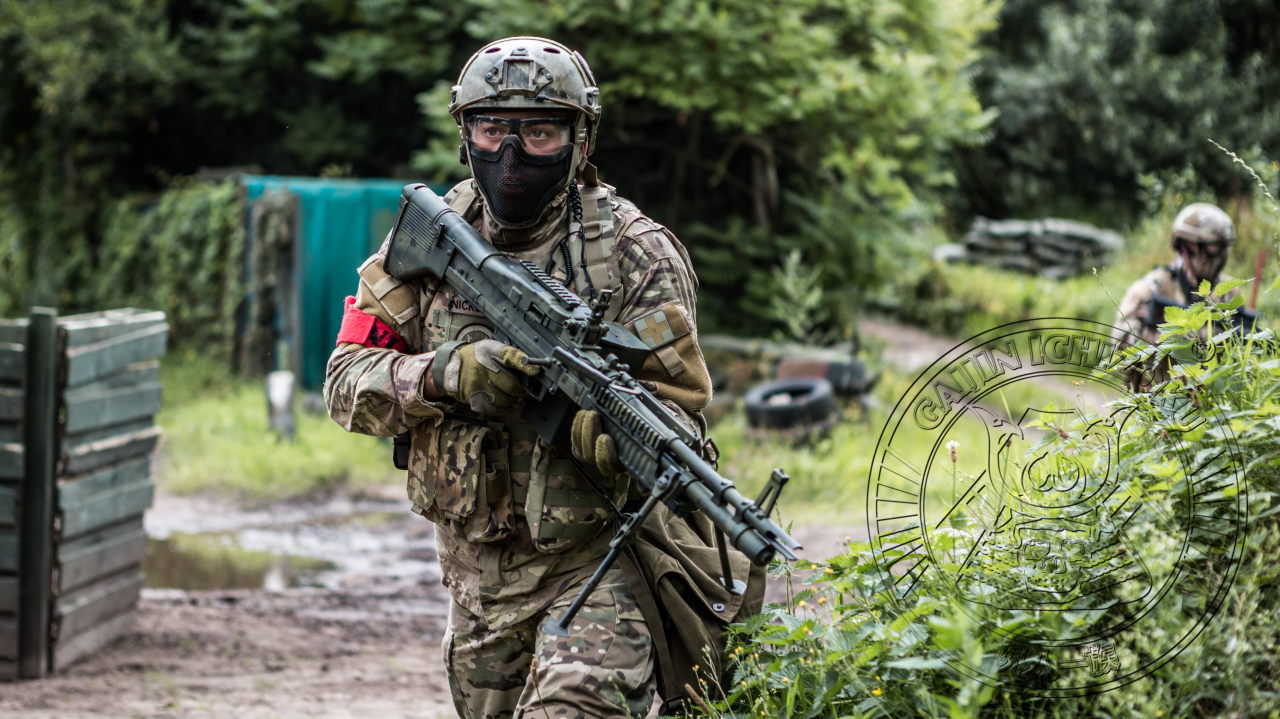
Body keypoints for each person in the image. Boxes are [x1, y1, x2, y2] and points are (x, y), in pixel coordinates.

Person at [324, 36, 762, 718]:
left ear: (580, 142)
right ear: (465, 133)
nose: (511, 152)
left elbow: (680, 421)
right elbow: (345, 383)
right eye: (493, 127)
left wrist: (607, 435)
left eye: (540, 131)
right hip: (476, 581)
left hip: (595, 564)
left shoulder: (635, 254)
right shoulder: (426, 242)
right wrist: (442, 376)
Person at [1111, 203, 1257, 381]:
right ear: (1187, 246)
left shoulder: (1228, 291)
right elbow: (1120, 346)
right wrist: (1157, 337)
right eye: (1213, 247)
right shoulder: (1152, 288)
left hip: (1211, 402)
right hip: (1159, 398)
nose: (1220, 255)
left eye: (1224, 247)